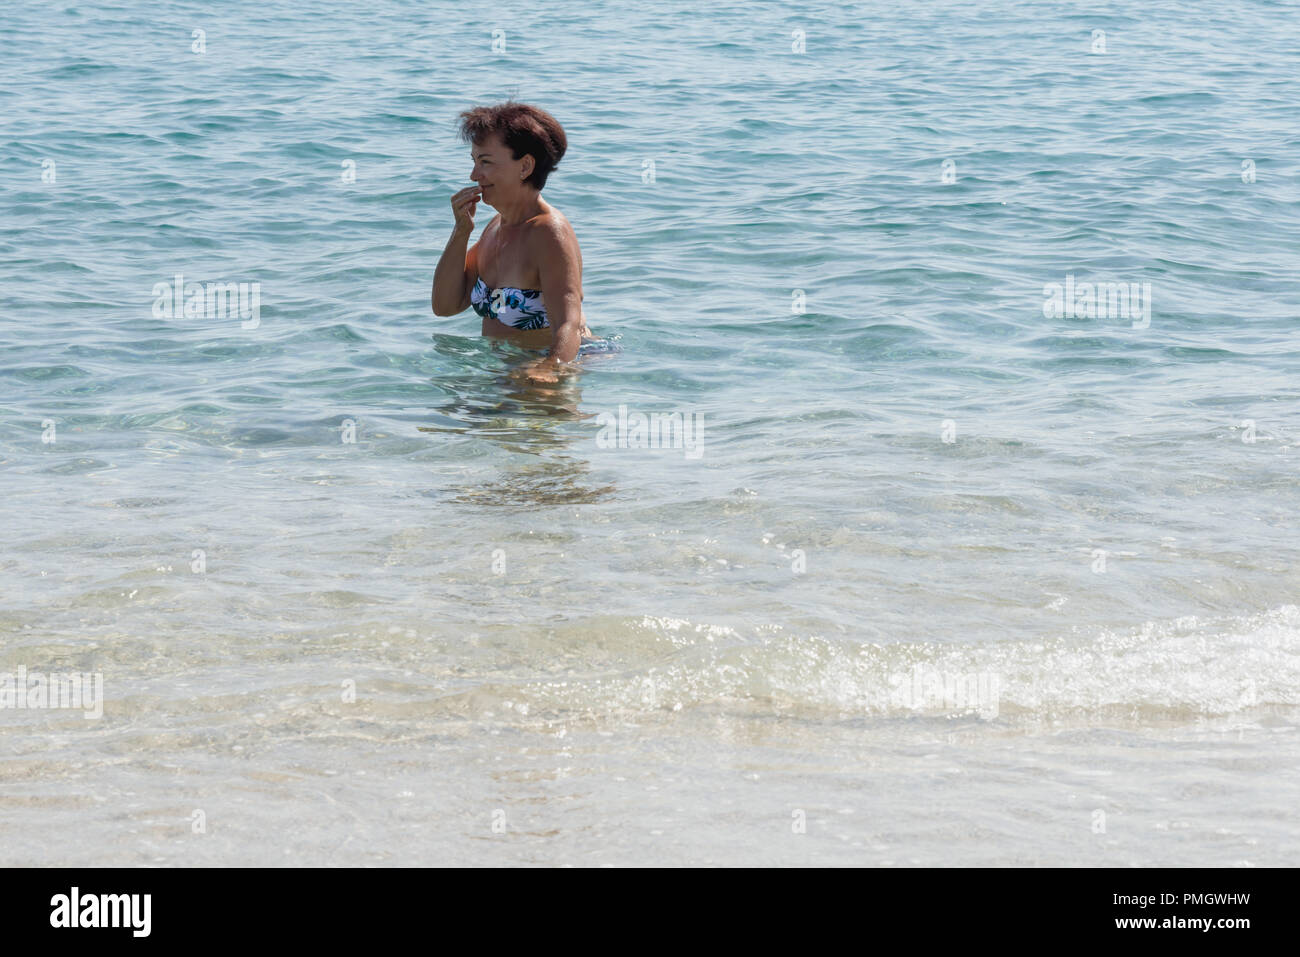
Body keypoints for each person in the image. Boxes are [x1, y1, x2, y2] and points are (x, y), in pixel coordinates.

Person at [431, 101, 602, 385]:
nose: (474, 175)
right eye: (473, 162)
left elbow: (568, 324)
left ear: (525, 166)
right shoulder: (495, 228)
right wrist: (461, 231)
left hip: (557, 366)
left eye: (485, 162)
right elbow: (445, 306)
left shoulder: (549, 232)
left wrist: (550, 369)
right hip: (510, 372)